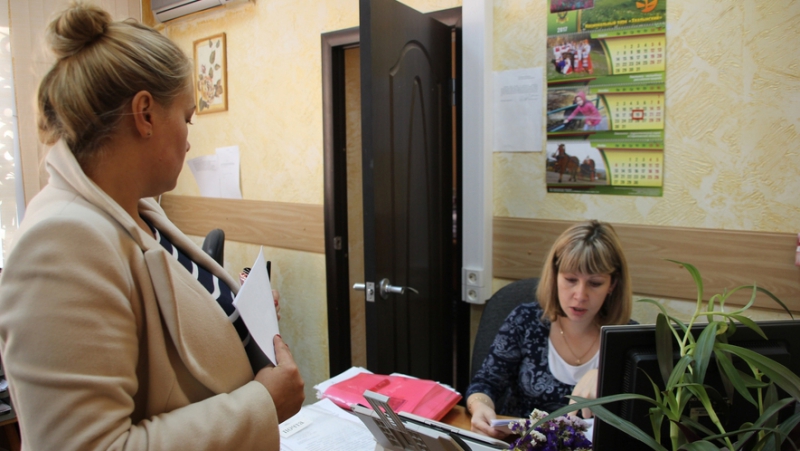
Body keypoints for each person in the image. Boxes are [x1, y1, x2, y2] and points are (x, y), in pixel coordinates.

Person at [0, 2, 304, 450]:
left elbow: (171, 338)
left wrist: (240, 314)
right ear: (144, 114)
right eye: (186, 118)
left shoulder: (139, 212)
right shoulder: (58, 245)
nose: (189, 139)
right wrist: (264, 404)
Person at [466, 220, 633, 439]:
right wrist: (480, 406)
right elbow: (485, 383)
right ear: (554, 276)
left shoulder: (628, 341)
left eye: (595, 283)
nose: (580, 295)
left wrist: (606, 376)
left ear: (612, 284)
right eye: (570, 280)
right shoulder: (525, 320)